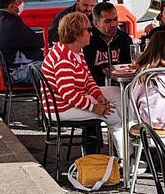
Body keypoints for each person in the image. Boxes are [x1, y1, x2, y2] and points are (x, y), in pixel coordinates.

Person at [40, 12, 125, 156]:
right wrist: (94, 107)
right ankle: (126, 158)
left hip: (69, 99)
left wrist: (98, 95)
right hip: (61, 108)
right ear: (77, 34)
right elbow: (68, 94)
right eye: (88, 30)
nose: (91, 34)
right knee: (114, 115)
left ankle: (126, 140)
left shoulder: (75, 51)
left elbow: (87, 79)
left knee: (118, 93)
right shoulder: (64, 59)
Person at [0, 0, 44, 85]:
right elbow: (38, 41)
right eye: (19, 1)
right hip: (18, 72)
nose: (22, 3)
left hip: (16, 68)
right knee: (56, 69)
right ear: (11, 6)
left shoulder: (3, 20)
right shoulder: (11, 25)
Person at [83, 1, 134, 85]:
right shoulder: (87, 41)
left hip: (122, 86)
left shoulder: (124, 38)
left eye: (115, 19)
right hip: (96, 87)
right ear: (96, 23)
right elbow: (89, 73)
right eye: (108, 21)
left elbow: (130, 67)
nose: (114, 24)